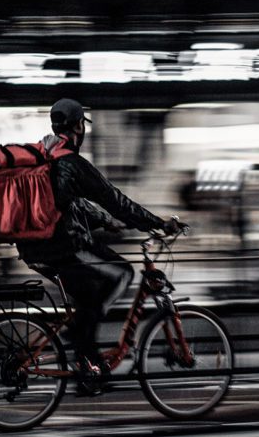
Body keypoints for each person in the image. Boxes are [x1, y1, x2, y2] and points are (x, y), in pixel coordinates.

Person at [16, 98, 181, 395]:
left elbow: (72, 205)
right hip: (63, 247)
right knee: (120, 272)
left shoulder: (46, 159)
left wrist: (106, 222)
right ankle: (85, 356)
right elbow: (114, 199)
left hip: (35, 249)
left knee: (89, 296)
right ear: (79, 127)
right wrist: (155, 222)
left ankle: (84, 356)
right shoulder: (72, 163)